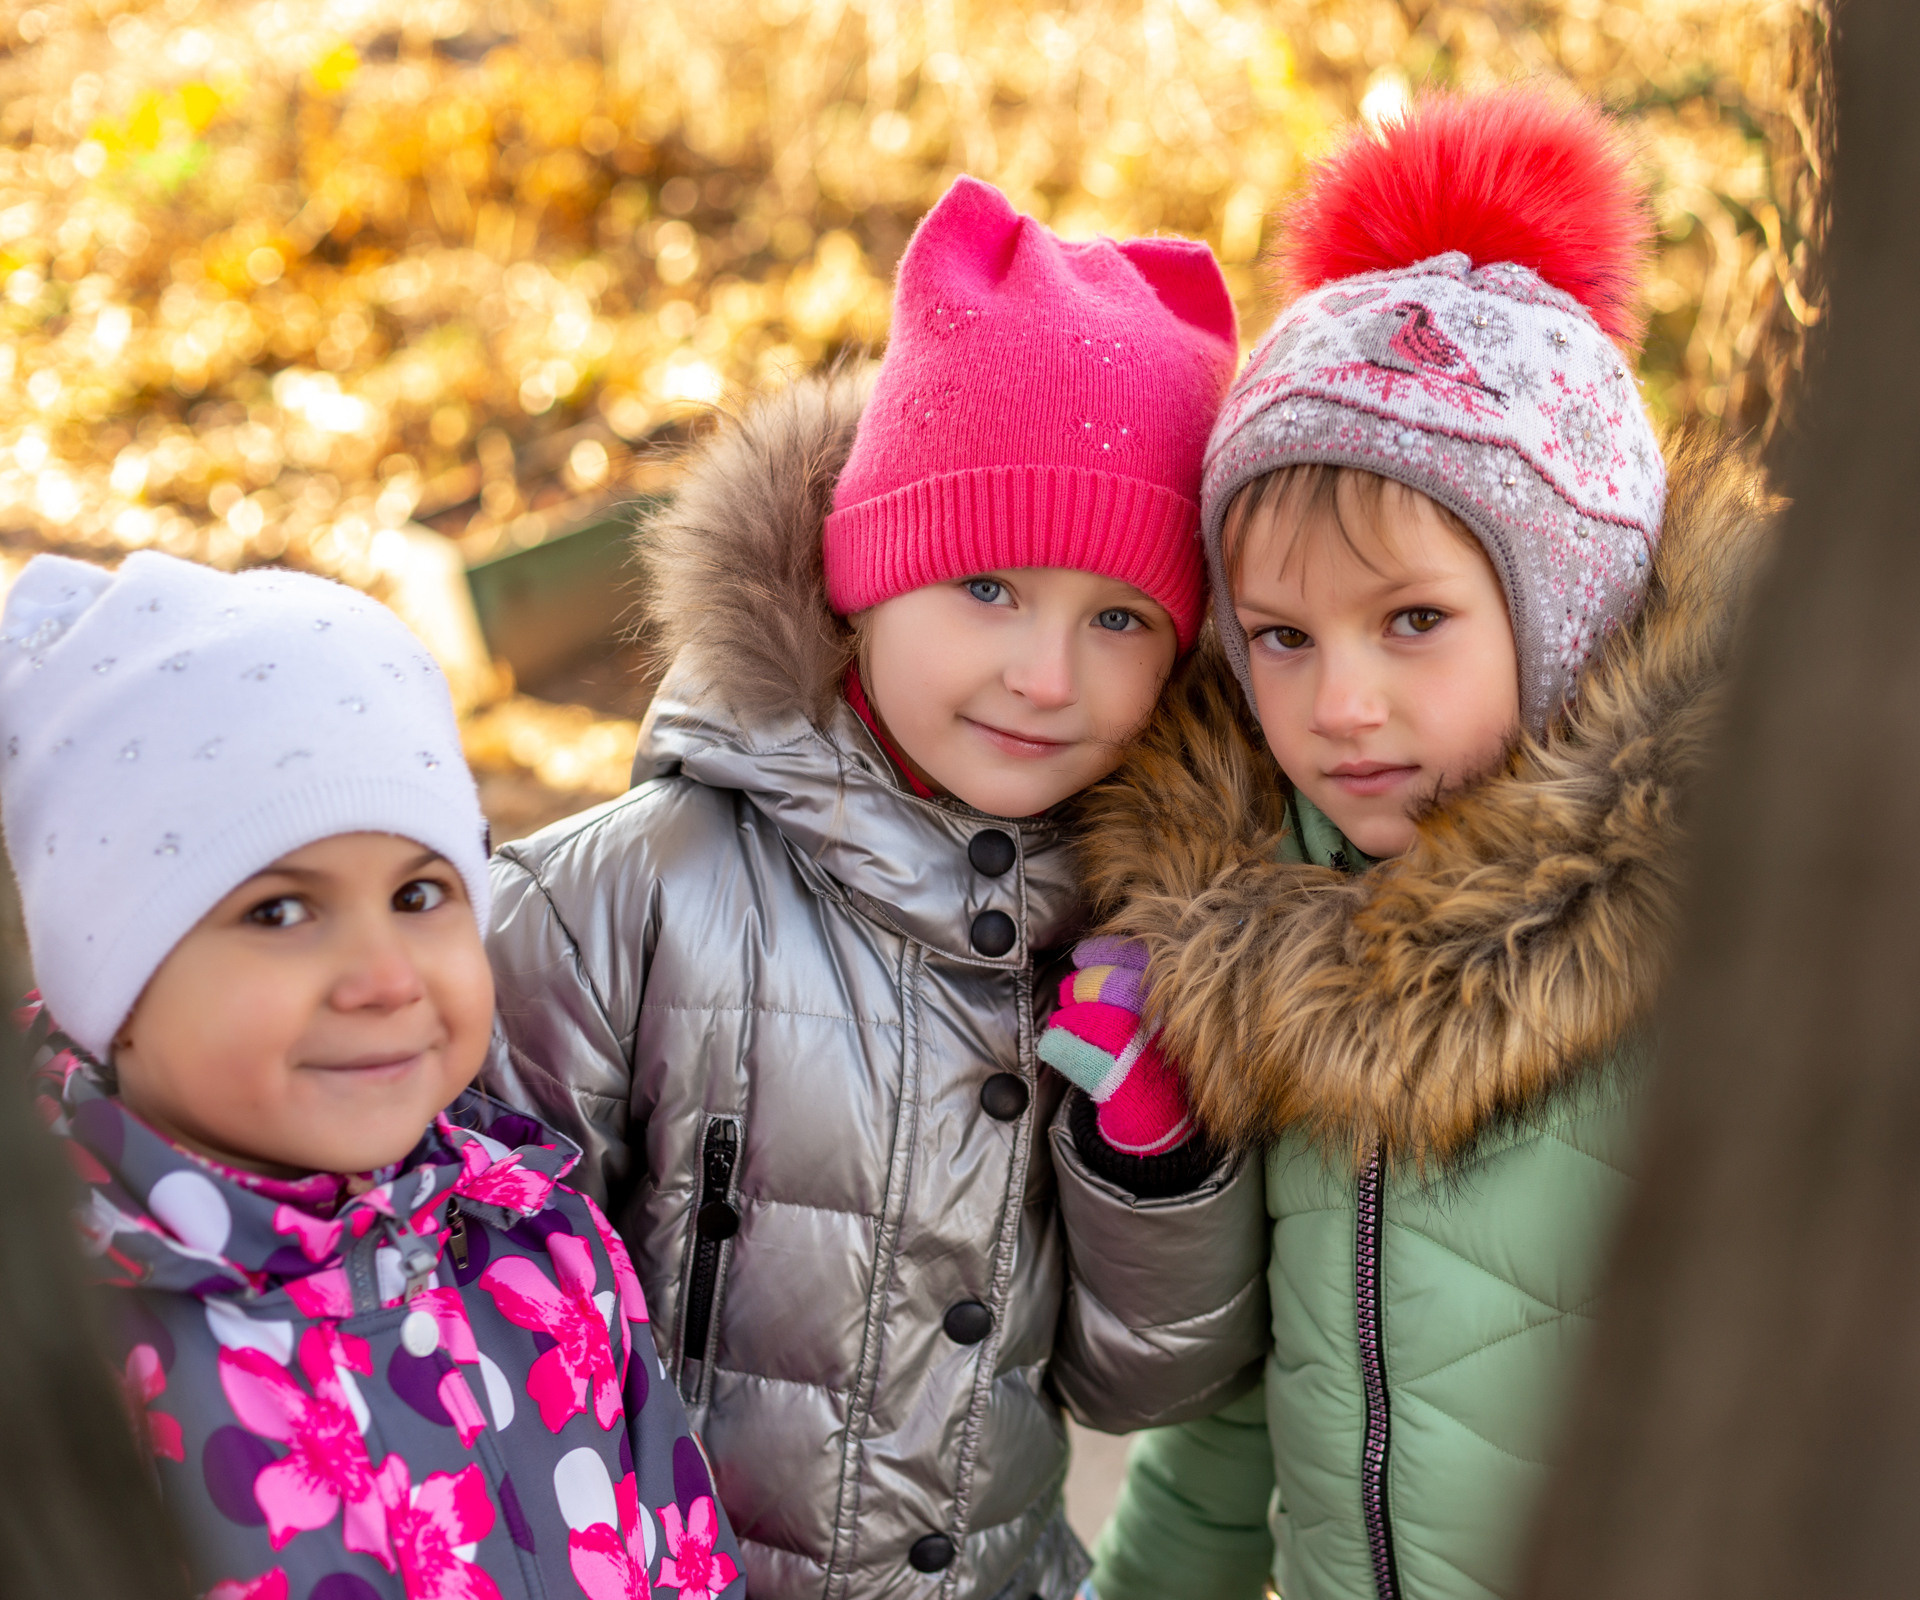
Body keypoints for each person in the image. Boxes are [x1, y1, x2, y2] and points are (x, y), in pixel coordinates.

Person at [477, 175, 1270, 1600]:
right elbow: (477, 1340)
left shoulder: (1133, 930)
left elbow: (1142, 1381)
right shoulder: (623, 907)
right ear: (863, 572)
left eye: (1118, 618)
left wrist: (1150, 1159)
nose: (1045, 674)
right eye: (987, 589)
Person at [1042, 89, 1780, 1600]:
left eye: (1415, 623)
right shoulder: (1270, 936)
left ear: (1569, 605)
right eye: (1282, 639)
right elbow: (1246, 1412)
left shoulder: (1709, 948)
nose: (1341, 705)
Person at [0, 550, 745, 1600]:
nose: (386, 977)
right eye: (281, 911)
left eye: (419, 893)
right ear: (107, 974)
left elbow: (684, 1560)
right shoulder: (69, 1351)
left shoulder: (543, 1248)